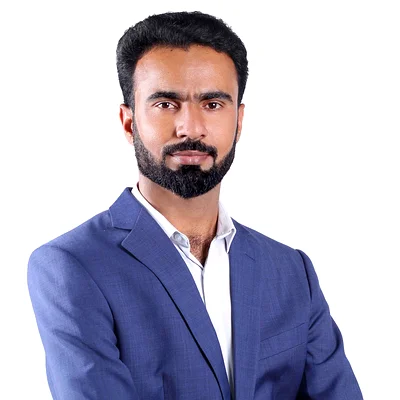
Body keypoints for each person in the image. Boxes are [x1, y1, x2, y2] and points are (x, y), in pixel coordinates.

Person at [28, 11, 363, 400]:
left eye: (213, 104)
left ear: (239, 121)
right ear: (128, 122)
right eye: (166, 104)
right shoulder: (72, 267)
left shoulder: (291, 271)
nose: (190, 127)